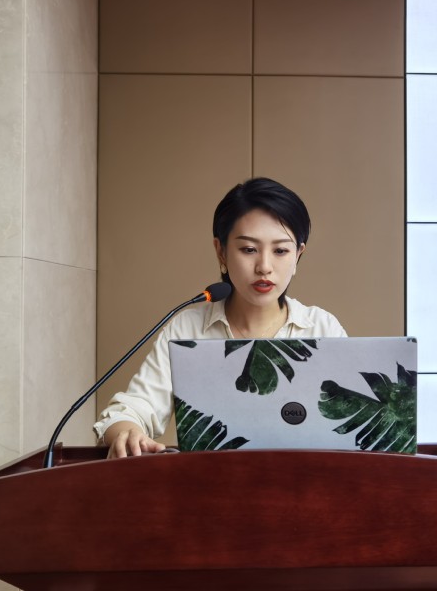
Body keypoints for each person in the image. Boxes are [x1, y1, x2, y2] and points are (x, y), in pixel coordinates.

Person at [94, 177, 347, 458]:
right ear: (221, 252)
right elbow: (131, 410)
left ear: (298, 255)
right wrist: (127, 431)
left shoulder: (323, 328)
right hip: (209, 484)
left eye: (280, 251)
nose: (264, 267)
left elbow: (350, 425)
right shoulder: (187, 329)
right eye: (248, 249)